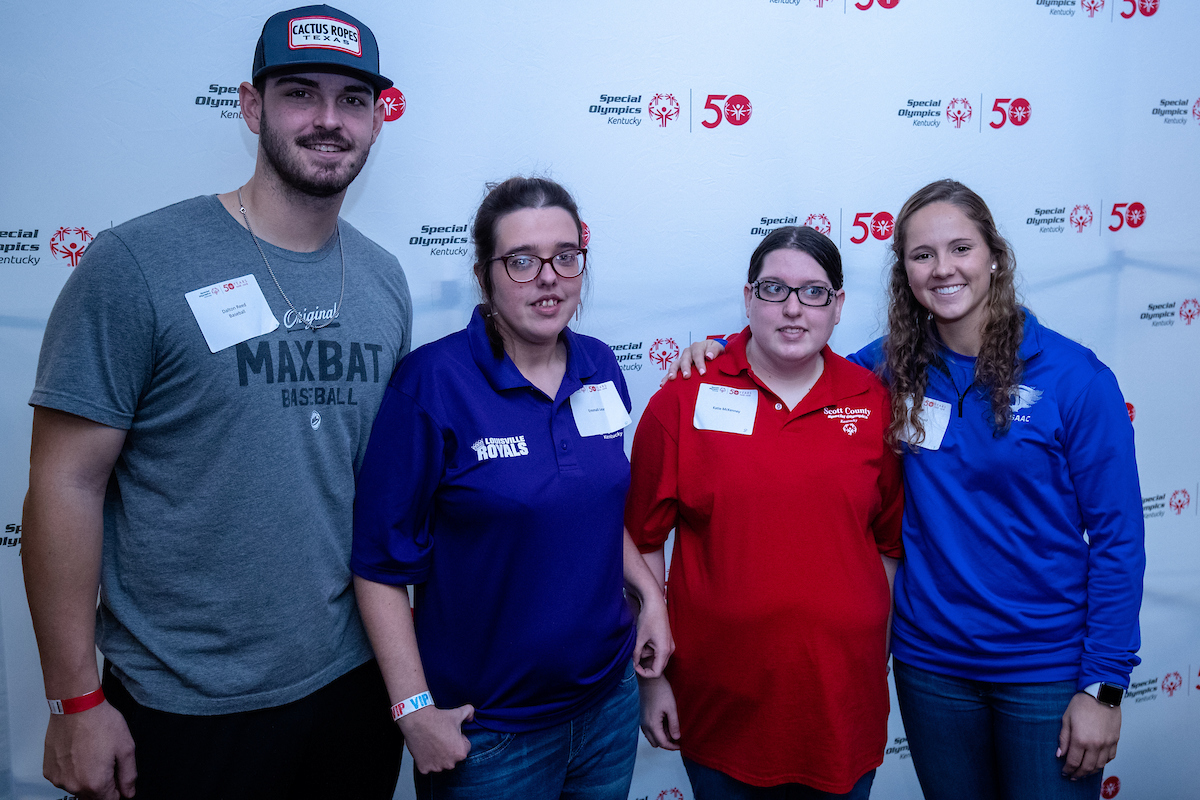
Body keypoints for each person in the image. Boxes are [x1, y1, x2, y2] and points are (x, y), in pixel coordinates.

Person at [22, 6, 411, 799]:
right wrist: (74, 701)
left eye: (353, 100)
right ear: (251, 106)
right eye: (301, 92)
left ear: (377, 121)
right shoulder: (136, 263)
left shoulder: (382, 280)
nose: (329, 120)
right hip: (181, 704)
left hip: (351, 688)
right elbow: (66, 484)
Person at [668, 180, 1145, 799]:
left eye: (960, 249)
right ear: (905, 272)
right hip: (930, 668)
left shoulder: (1075, 378)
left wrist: (1103, 686)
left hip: (1045, 671)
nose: (943, 269)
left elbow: (1118, 540)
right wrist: (722, 352)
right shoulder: (889, 368)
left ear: (994, 256)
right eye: (922, 255)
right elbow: (799, 354)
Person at [351, 176, 672, 800]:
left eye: (565, 256)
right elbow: (378, 566)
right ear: (485, 275)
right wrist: (413, 710)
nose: (548, 277)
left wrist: (650, 596)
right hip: (491, 735)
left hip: (607, 706)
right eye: (522, 261)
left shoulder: (600, 366)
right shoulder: (432, 384)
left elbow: (595, 514)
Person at [626, 226, 903, 799]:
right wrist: (652, 682)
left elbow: (887, 545)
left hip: (839, 705)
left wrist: (872, 656)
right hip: (718, 703)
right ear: (749, 298)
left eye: (814, 292)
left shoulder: (872, 401)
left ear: (839, 305)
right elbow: (642, 540)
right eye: (775, 290)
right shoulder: (683, 398)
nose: (794, 309)